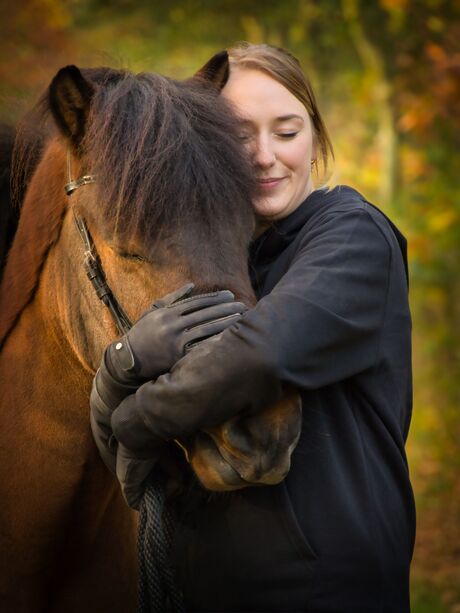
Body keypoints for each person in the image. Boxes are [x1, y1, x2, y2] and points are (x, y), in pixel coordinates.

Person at [90, 43, 415, 612]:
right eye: (241, 136)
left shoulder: (351, 236)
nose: (264, 156)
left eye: (286, 132)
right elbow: (129, 469)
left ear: (315, 138)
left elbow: (258, 356)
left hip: (321, 588)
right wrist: (123, 363)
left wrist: (135, 416)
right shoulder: (214, 259)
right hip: (200, 584)